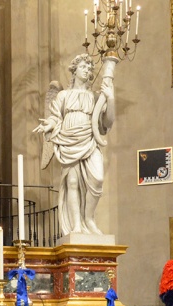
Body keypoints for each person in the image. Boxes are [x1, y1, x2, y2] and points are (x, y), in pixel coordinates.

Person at [34, 54, 114, 236]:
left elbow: (108, 122)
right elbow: (56, 117)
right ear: (74, 70)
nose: (87, 70)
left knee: (98, 179)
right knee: (72, 182)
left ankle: (89, 219)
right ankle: (76, 225)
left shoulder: (95, 97)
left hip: (89, 139)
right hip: (69, 140)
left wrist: (110, 99)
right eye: (83, 66)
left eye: (89, 68)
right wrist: (50, 124)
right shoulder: (63, 95)